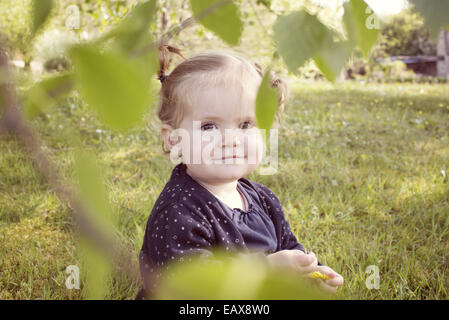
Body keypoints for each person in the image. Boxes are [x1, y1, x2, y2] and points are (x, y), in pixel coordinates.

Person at [136, 45, 343, 299]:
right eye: (209, 127)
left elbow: (287, 246)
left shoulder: (263, 199)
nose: (231, 140)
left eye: (246, 124)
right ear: (174, 140)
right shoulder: (179, 210)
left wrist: (310, 271)